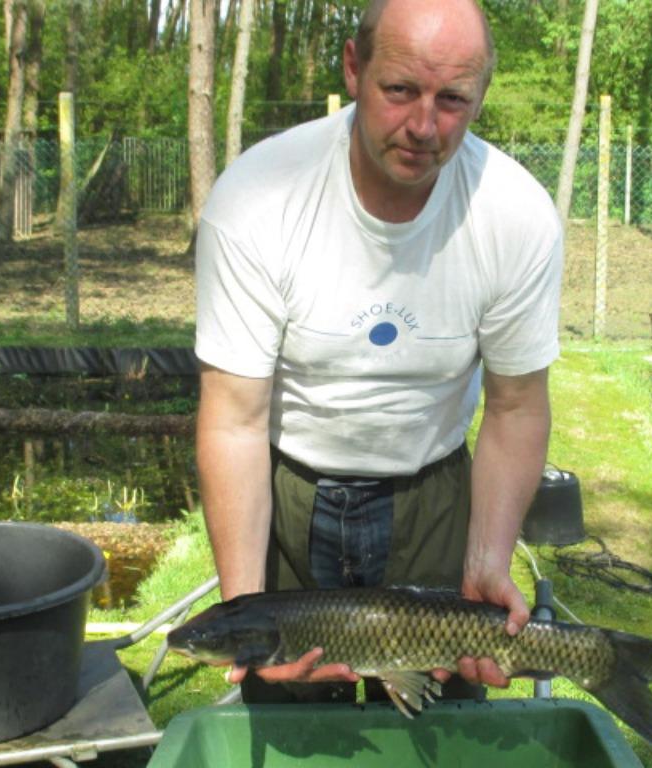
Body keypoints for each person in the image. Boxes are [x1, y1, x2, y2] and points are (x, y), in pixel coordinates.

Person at [193, 0, 563, 703]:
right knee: (292, 721)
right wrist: (249, 618)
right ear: (354, 68)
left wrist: (487, 558)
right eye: (400, 90)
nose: (424, 127)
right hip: (292, 491)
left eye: (453, 100)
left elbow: (516, 407)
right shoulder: (256, 198)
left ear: (483, 94)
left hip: (433, 491)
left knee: (438, 726)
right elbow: (234, 417)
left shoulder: (516, 215)